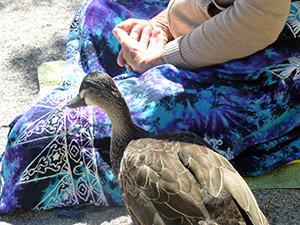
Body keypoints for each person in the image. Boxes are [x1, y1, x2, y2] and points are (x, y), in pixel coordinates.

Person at [0, 0, 299, 216]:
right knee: (98, 14)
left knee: (36, 142)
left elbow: (260, 15)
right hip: (229, 26)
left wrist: (162, 57)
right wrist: (163, 25)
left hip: (274, 58)